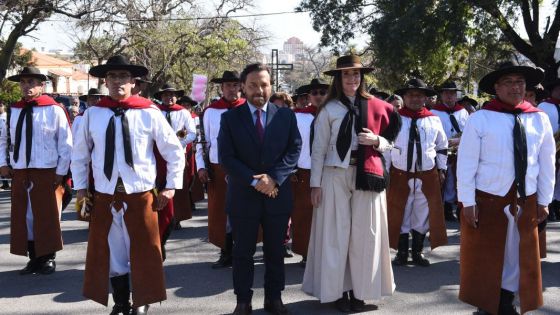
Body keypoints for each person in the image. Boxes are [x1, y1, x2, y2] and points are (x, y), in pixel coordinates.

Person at [72, 55, 185, 314]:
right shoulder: (93, 114)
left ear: (134, 82)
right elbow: (80, 155)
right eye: (112, 76)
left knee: (144, 252)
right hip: (105, 196)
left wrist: (170, 186)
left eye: (123, 76)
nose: (117, 82)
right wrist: (80, 189)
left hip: (141, 195)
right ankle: (121, 302)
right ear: (105, 81)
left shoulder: (149, 112)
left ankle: (142, 301)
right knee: (113, 254)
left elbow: (173, 151)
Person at [302, 55, 399, 312]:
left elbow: (391, 143)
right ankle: (338, 291)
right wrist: (315, 184)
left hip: (368, 175)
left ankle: (361, 291)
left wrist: (377, 141)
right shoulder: (329, 109)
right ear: (338, 78)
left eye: (356, 74)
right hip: (335, 174)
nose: (352, 79)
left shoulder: (377, 106)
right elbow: (318, 149)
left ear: (362, 77)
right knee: (336, 234)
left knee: (365, 236)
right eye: (346, 74)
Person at [457, 61, 553, 315]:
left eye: (519, 82)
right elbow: (466, 163)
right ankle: (486, 304)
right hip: (489, 198)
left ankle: (506, 302)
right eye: (508, 83)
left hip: (526, 198)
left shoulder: (538, 119)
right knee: (487, 255)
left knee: (517, 255)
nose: (515, 88)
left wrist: (545, 199)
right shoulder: (481, 119)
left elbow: (546, 162)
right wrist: (467, 201)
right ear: (496, 88)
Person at [218, 63, 302, 315]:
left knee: (275, 252)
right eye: (253, 85)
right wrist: (256, 181)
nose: (259, 90)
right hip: (244, 196)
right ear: (243, 87)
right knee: (242, 252)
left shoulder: (286, 115)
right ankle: (243, 300)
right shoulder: (230, 118)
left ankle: (274, 298)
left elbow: (294, 150)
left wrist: (274, 179)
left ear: (271, 86)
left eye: (264, 84)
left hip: (277, 195)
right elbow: (227, 157)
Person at [0, 66, 72, 275]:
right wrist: (3, 163)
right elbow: (3, 139)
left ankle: (48, 258)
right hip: (21, 171)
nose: (26, 86)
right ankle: (33, 258)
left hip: (47, 170)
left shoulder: (54, 109)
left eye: (31, 82)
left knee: (47, 215)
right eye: (23, 82)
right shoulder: (14, 110)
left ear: (42, 85)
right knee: (26, 217)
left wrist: (61, 171)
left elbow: (65, 143)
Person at [387, 78, 448, 267]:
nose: (415, 99)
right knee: (401, 211)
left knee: (422, 212)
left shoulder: (433, 119)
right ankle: (402, 252)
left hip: (427, 173)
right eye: (411, 95)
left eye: (419, 95)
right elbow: (387, 146)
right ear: (404, 97)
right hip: (399, 172)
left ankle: (417, 252)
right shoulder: (394, 117)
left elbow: (441, 146)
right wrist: (385, 170)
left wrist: (442, 168)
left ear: (425, 98)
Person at [196, 70, 245, 269]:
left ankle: (243, 251)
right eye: (228, 85)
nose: (232, 89)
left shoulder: (249, 108)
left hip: (244, 168)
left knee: (244, 211)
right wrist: (201, 166)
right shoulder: (211, 111)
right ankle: (225, 251)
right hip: (218, 168)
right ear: (222, 88)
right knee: (220, 212)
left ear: (240, 87)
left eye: (235, 85)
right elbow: (203, 141)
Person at [153, 83, 197, 260]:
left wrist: (176, 145)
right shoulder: (155, 111)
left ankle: (175, 218)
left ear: (176, 96)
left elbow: (192, 134)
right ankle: (157, 233)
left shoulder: (183, 112)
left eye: (172, 95)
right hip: (156, 157)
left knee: (177, 188)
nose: (168, 98)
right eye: (165, 95)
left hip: (177, 155)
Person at [289, 78, 329, 266]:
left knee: (327, 214)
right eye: (315, 93)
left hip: (329, 171)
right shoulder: (297, 117)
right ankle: (305, 252)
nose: (319, 96)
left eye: (322, 92)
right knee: (303, 214)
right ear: (308, 96)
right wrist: (291, 168)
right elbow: (290, 145)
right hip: (303, 171)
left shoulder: (334, 114)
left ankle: (325, 253)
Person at [431, 81, 469, 222]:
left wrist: (460, 141)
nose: (449, 96)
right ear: (441, 95)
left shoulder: (463, 112)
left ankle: (457, 207)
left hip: (460, 152)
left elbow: (468, 132)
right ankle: (443, 209)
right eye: (446, 93)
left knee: (458, 180)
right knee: (444, 181)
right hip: (440, 152)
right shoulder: (434, 112)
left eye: (452, 93)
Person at [176, 95, 205, 228]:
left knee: (191, 176)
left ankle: (190, 200)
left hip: (192, 148)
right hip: (179, 149)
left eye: (188, 105)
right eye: (184, 104)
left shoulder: (195, 118)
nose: (186, 107)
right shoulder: (176, 115)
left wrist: (195, 144)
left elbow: (198, 133)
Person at [537, 77, 560, 221]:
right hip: (550, 146)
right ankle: (549, 204)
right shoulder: (543, 107)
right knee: (549, 174)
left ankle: (558, 203)